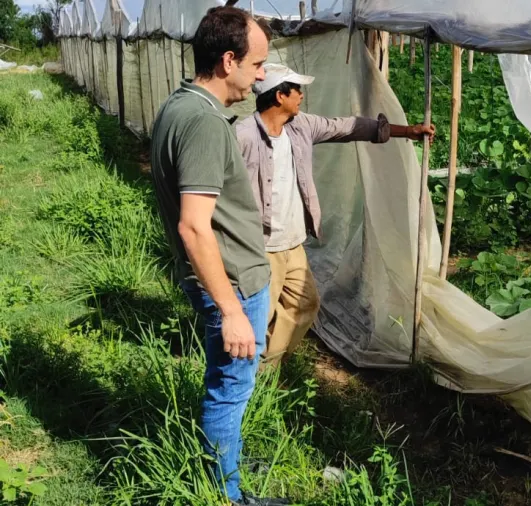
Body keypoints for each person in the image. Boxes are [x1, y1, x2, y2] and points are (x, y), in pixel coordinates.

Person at [149, 7, 289, 506]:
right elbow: (193, 226)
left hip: (224, 277)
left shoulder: (180, 106)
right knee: (230, 388)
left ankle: (223, 459)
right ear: (229, 60)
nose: (262, 76)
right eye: (257, 65)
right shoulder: (204, 123)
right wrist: (231, 311)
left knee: (228, 385)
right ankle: (224, 495)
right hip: (231, 282)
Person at [235, 63, 436, 367]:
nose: (302, 95)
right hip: (261, 245)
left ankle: (265, 367)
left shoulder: (300, 126)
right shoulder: (244, 136)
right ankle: (243, 378)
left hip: (292, 243)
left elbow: (348, 127)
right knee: (257, 315)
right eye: (296, 89)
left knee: (304, 304)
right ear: (279, 96)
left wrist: (407, 131)